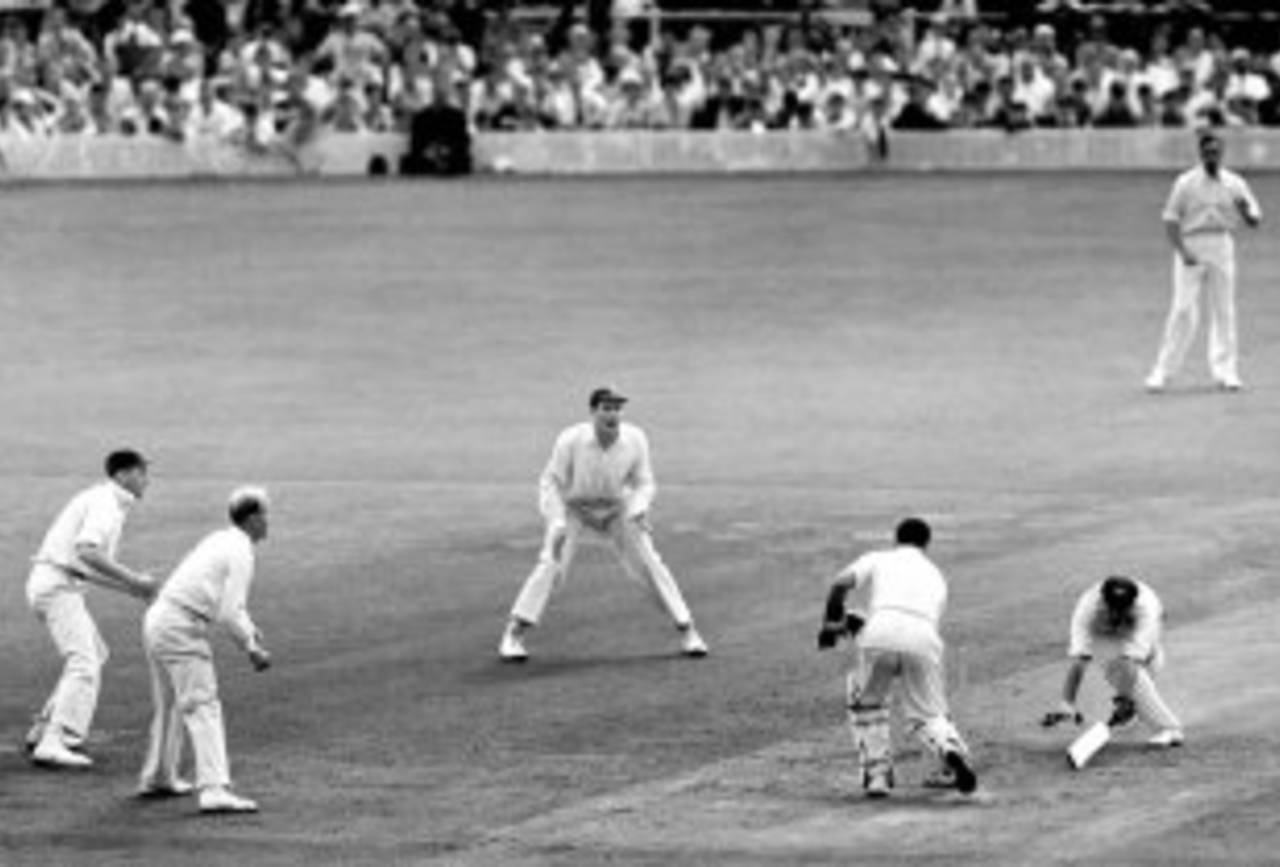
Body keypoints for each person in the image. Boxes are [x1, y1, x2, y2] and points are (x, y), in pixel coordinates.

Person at [498, 386, 708, 662]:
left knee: (648, 563)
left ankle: (688, 631)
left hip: (616, 508)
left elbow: (644, 482)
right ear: (593, 413)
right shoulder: (570, 439)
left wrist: (639, 509)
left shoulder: (635, 439)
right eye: (606, 408)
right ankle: (513, 635)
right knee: (552, 565)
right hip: (574, 508)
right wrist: (557, 521)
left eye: (617, 408)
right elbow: (550, 482)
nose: (613, 414)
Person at [816, 517, 978, 798]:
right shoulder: (936, 575)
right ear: (926, 544)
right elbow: (913, 620)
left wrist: (832, 622)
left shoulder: (879, 559)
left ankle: (877, 777)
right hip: (924, 640)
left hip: (879, 634)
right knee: (928, 715)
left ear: (896, 538)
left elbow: (840, 583)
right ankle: (951, 751)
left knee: (867, 704)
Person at [137, 486, 273, 813]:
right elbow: (228, 611)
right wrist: (251, 648)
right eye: (266, 515)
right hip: (181, 626)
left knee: (171, 704)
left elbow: (222, 601)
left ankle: (160, 775)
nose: (268, 522)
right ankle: (214, 789)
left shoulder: (220, 539)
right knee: (203, 705)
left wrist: (250, 629)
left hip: (160, 618)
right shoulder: (241, 551)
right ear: (253, 518)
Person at [25, 449, 157, 768]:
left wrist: (131, 588)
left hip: (56, 582)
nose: (147, 481)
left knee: (94, 654)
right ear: (123, 475)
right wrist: (133, 579)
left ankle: (43, 728)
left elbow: (85, 566)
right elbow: (86, 552)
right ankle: (57, 740)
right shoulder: (106, 504)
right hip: (57, 587)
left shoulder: (105, 501)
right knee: (84, 661)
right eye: (141, 473)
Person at [1145, 129, 1262, 393]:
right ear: (1200, 153)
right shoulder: (1186, 183)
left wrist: (1246, 212)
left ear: (1222, 153)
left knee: (1224, 308)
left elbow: (1254, 219)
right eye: (1207, 152)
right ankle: (1163, 370)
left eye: (1216, 151)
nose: (1212, 156)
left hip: (1221, 243)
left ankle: (1227, 371)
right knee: (1183, 309)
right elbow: (1170, 218)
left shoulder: (1234, 183)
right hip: (1192, 243)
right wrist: (1182, 251)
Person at [1041, 575, 1183, 748]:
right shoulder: (1087, 611)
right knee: (1118, 668)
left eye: (1122, 608)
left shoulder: (1147, 609)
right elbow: (1080, 660)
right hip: (1102, 632)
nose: (1117, 612)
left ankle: (1167, 728)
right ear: (1103, 600)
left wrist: (1126, 698)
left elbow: (1136, 661)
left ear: (1132, 603)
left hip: (1146, 626)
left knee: (1141, 666)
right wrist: (1067, 702)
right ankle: (1167, 727)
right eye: (1113, 607)